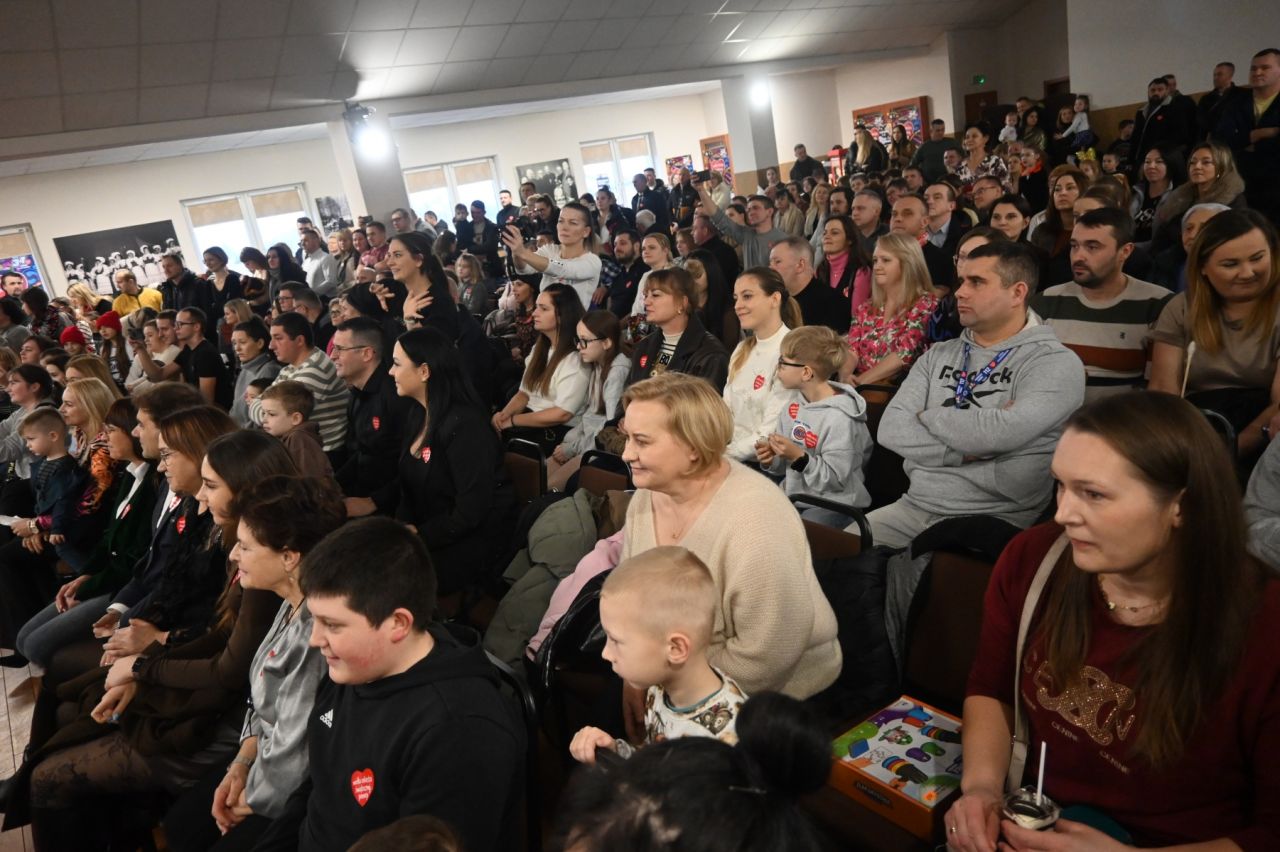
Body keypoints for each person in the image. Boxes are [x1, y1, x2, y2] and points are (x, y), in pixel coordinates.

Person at [948, 392, 1280, 852]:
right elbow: (992, 687)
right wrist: (982, 789)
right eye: (1061, 486)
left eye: (1094, 494)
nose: (1063, 514)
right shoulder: (1034, 559)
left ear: (1181, 505)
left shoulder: (1264, 628)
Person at [18, 429, 297, 850]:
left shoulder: (264, 562)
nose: (200, 496)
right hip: (216, 699)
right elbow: (215, 630)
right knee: (76, 707)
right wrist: (142, 665)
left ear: (245, 489)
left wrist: (145, 664)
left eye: (211, 486)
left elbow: (230, 667)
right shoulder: (242, 546)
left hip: (221, 721)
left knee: (52, 773)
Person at [249, 518, 524, 852]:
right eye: (315, 619)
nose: (315, 639)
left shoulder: (461, 733)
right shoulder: (352, 667)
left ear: (398, 623)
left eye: (332, 625)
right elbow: (318, 787)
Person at [617, 372, 840, 707]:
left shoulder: (756, 520)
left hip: (771, 698)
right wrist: (635, 672)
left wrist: (664, 687)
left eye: (642, 441)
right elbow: (633, 599)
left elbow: (766, 657)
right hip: (672, 670)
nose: (626, 454)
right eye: (627, 438)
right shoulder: (648, 494)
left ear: (693, 448)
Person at [161, 475, 346, 852]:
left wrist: (250, 800)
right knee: (179, 825)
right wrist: (242, 762)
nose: (233, 555)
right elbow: (260, 700)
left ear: (289, 557)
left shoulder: (315, 637)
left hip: (291, 793)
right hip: (260, 756)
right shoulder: (288, 600)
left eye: (245, 547)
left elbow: (294, 756)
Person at [868, 241, 1085, 548]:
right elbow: (890, 429)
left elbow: (1001, 433)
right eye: (962, 281)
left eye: (977, 282)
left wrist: (928, 416)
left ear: (1017, 293)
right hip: (913, 507)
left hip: (996, 520)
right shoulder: (939, 354)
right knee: (828, 552)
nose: (960, 292)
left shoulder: (1055, 362)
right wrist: (962, 449)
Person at [569, 547, 748, 765]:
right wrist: (615, 751)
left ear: (675, 649)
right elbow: (654, 761)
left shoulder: (727, 742)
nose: (606, 654)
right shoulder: (660, 687)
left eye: (616, 641)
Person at [13, 398, 155, 670]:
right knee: (23, 640)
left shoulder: (151, 485)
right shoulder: (129, 476)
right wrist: (85, 575)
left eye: (111, 431)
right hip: (104, 576)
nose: (105, 438)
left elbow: (132, 561)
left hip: (122, 587)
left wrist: (88, 586)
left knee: (35, 647)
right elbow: (108, 539)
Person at [1148, 210, 1280, 462]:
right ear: (1203, 268)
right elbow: (1164, 390)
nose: (1247, 272)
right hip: (1194, 427)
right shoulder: (1180, 308)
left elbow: (1279, 404)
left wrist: (1226, 453)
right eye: (1230, 264)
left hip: (1263, 436)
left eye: (1257, 258)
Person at [392, 328, 513, 597]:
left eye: (397, 364)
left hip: (467, 540)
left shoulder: (465, 426)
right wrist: (402, 529)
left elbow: (471, 511)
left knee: (388, 580)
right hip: (430, 529)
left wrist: (419, 536)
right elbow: (408, 487)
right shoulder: (417, 414)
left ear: (424, 371)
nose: (391, 372)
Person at [1032, 207, 1174, 400]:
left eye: (1092, 247)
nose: (1078, 256)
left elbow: (1160, 389)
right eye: (1074, 246)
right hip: (1054, 414)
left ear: (1125, 251)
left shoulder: (1157, 304)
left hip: (1126, 416)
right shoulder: (1045, 302)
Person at [758, 325, 871, 524]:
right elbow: (784, 467)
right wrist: (771, 459)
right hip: (796, 498)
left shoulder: (840, 417)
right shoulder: (792, 407)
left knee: (798, 532)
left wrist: (798, 457)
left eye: (783, 362)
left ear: (806, 373)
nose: (777, 367)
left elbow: (835, 479)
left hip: (835, 505)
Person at [491, 283, 589, 453]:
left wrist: (513, 421)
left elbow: (562, 414)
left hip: (556, 431)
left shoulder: (575, 358)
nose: (535, 313)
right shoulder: (540, 348)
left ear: (561, 316)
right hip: (528, 421)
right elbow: (524, 393)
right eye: (536, 307)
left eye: (543, 309)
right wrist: (503, 416)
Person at [331, 317, 411, 518]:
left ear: (367, 353)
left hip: (393, 505)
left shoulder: (395, 396)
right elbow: (361, 452)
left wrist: (374, 502)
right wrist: (331, 483)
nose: (332, 356)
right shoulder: (357, 393)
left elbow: (414, 465)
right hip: (362, 491)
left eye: (340, 349)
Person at [722, 268, 801, 463]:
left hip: (767, 467)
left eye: (747, 296)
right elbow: (725, 411)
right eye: (736, 298)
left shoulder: (793, 352)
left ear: (775, 299)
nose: (738, 306)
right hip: (731, 457)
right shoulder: (742, 349)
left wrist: (721, 456)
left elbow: (771, 431)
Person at [844, 232, 938, 387]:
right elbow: (851, 349)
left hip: (899, 388)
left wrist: (859, 382)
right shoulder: (866, 307)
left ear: (908, 263)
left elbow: (904, 355)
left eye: (885, 260)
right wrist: (845, 376)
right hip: (860, 385)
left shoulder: (925, 304)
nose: (877, 266)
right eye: (875, 260)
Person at [548, 310, 629, 491]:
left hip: (596, 449)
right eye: (578, 340)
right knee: (539, 476)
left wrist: (572, 448)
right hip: (583, 443)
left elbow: (608, 431)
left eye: (584, 340)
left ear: (606, 342)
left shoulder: (617, 372)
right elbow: (589, 417)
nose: (579, 346)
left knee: (550, 486)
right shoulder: (597, 364)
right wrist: (570, 444)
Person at [251, 313, 350, 455]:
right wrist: (265, 407)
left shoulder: (315, 369)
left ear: (299, 340)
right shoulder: (292, 366)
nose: (271, 345)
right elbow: (268, 409)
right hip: (305, 448)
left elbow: (274, 418)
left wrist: (259, 404)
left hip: (322, 455)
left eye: (278, 338)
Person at [627, 268, 729, 391]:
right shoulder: (644, 345)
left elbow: (702, 403)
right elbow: (628, 395)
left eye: (655, 295)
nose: (646, 302)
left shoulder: (710, 355)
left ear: (682, 302)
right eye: (645, 295)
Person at [1214, 48, 1280, 226]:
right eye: (1253, 68)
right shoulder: (1236, 104)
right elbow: (1221, 140)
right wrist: (1260, 134)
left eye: (1265, 67)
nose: (1257, 72)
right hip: (1244, 185)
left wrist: (1246, 143)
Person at [1150, 140, 1248, 252]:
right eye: (1192, 162)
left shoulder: (1234, 201)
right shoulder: (1180, 197)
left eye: (1206, 162)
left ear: (1221, 167)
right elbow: (1162, 236)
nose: (1197, 166)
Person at [503, 201, 601, 309]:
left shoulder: (592, 261)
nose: (564, 227)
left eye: (573, 223)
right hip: (544, 317)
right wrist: (515, 251)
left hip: (573, 319)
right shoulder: (550, 250)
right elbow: (523, 268)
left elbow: (562, 268)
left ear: (586, 231)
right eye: (561, 221)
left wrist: (523, 252)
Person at [697, 179, 789, 270]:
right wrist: (701, 189)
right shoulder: (745, 234)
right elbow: (718, 217)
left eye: (755, 208)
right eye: (748, 209)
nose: (751, 212)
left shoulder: (783, 239)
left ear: (769, 212)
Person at [770, 236, 850, 334]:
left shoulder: (834, 304)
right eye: (770, 263)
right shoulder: (776, 302)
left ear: (800, 265)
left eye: (777, 262)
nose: (771, 268)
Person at [1029, 165, 1090, 289]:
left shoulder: (1091, 231)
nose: (1062, 193)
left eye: (1070, 188)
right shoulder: (1041, 231)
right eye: (1057, 189)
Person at [258, 381, 333, 480]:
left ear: (296, 418)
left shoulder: (299, 439)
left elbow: (309, 482)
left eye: (271, 414)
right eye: (263, 413)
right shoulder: (290, 436)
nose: (264, 420)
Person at [890, 194, 957, 290]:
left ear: (925, 222)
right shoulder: (880, 255)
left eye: (907, 214)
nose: (898, 219)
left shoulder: (941, 261)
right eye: (894, 214)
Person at [229, 316, 282, 427]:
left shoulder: (269, 370)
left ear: (260, 343)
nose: (237, 348)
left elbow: (261, 418)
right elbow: (235, 409)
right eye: (234, 343)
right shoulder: (245, 367)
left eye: (242, 342)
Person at [815, 215, 871, 319]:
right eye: (825, 233)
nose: (827, 236)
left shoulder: (861, 271)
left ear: (849, 239)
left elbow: (856, 318)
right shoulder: (820, 269)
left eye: (834, 233)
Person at [1130, 144, 1185, 245]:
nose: (1151, 166)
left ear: (1171, 164)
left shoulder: (1178, 199)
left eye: (1159, 162)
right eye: (1147, 162)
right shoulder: (1135, 192)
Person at [604, 229, 648, 317]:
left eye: (622, 243)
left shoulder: (645, 271)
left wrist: (619, 324)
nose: (617, 248)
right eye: (615, 244)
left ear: (636, 246)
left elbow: (641, 308)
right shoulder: (621, 273)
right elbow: (610, 299)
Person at [954, 122, 1009, 190]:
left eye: (974, 136)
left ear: (985, 139)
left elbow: (1006, 187)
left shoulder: (994, 161)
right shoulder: (960, 165)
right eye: (967, 137)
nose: (969, 140)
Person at [909, 118, 964, 184]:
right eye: (938, 130)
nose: (941, 132)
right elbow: (913, 164)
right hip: (929, 182)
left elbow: (964, 158)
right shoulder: (924, 147)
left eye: (943, 130)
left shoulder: (952, 143)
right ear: (931, 131)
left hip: (952, 179)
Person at [92, 311, 129, 389]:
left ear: (116, 327)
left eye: (106, 326)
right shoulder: (103, 349)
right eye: (100, 328)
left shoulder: (128, 344)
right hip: (115, 387)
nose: (103, 331)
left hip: (130, 385)